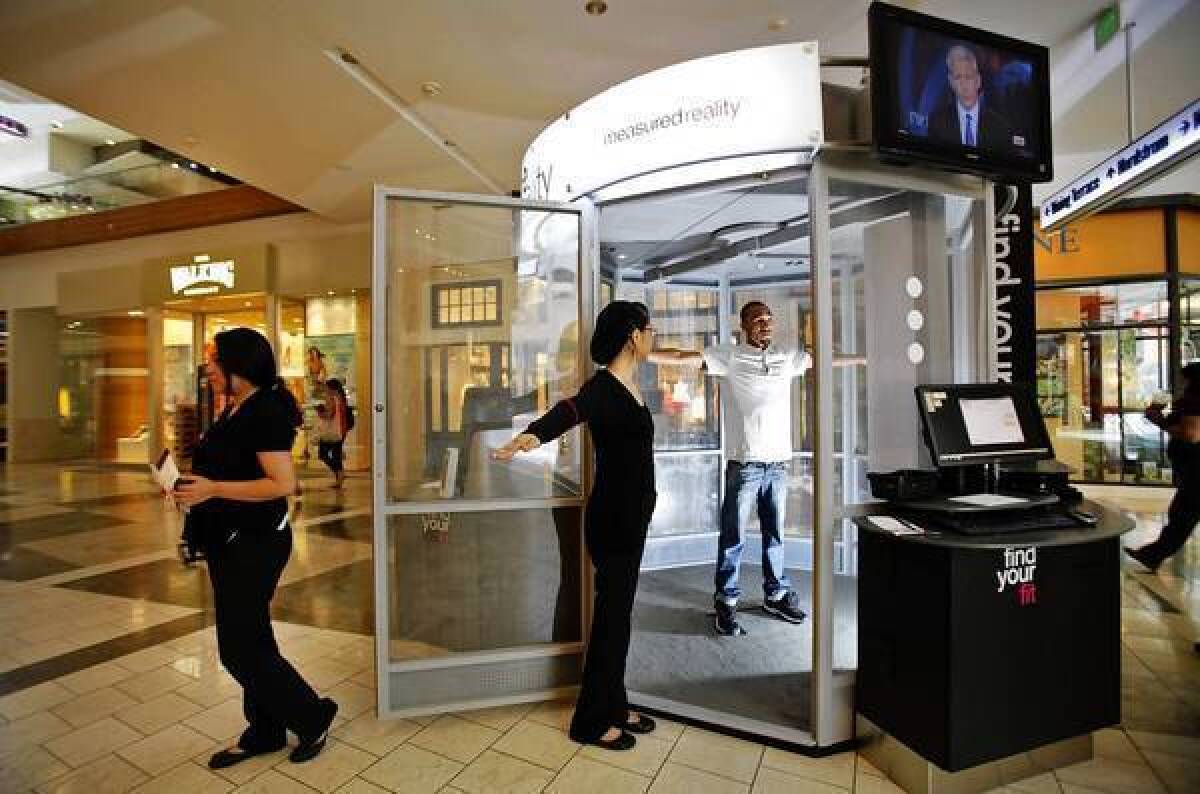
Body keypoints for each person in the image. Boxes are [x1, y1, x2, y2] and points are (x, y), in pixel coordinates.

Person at [493, 301, 658, 752]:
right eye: (648, 329)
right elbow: (570, 410)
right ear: (632, 336)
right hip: (615, 520)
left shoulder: (629, 384)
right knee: (611, 622)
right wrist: (531, 436)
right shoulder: (604, 388)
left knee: (618, 619)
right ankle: (589, 722)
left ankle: (616, 706)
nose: (653, 336)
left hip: (631, 516)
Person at [174, 328, 338, 768]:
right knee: (253, 639)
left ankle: (313, 715)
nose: (207, 368)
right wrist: (188, 488)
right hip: (231, 540)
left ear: (238, 367)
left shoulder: (263, 411)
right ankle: (264, 730)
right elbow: (224, 469)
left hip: (255, 544)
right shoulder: (237, 408)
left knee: (239, 648)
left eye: (213, 360)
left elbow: (282, 484)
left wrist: (212, 489)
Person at [657, 301, 862, 636]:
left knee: (775, 536)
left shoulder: (787, 356)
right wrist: (637, 353)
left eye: (769, 319)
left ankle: (776, 594)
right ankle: (726, 601)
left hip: (778, 466)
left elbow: (825, 361)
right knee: (733, 537)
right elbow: (683, 357)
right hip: (746, 466)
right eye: (758, 320)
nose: (765, 324)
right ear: (744, 326)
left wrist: (868, 357)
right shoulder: (731, 356)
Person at [1125, 362, 1200, 574]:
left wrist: (1160, 422)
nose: (1182, 383)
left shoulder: (1194, 401)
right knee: (1182, 513)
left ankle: (1153, 555)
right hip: (1192, 468)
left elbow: (1191, 434)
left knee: (1183, 514)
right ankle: (1152, 555)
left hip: (1196, 469)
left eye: (1185, 379)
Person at [928, 44, 1013, 150]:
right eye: (958, 77)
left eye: (968, 77)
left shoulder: (1000, 127)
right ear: (951, 82)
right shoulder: (937, 122)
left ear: (978, 80)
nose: (964, 84)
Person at [316, 378, 351, 488]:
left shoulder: (331, 398)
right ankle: (339, 479)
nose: (326, 389)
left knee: (323, 454)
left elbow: (329, 415)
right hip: (341, 430)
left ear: (332, 388)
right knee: (336, 455)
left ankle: (340, 474)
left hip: (331, 432)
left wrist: (320, 411)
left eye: (327, 387)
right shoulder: (342, 398)